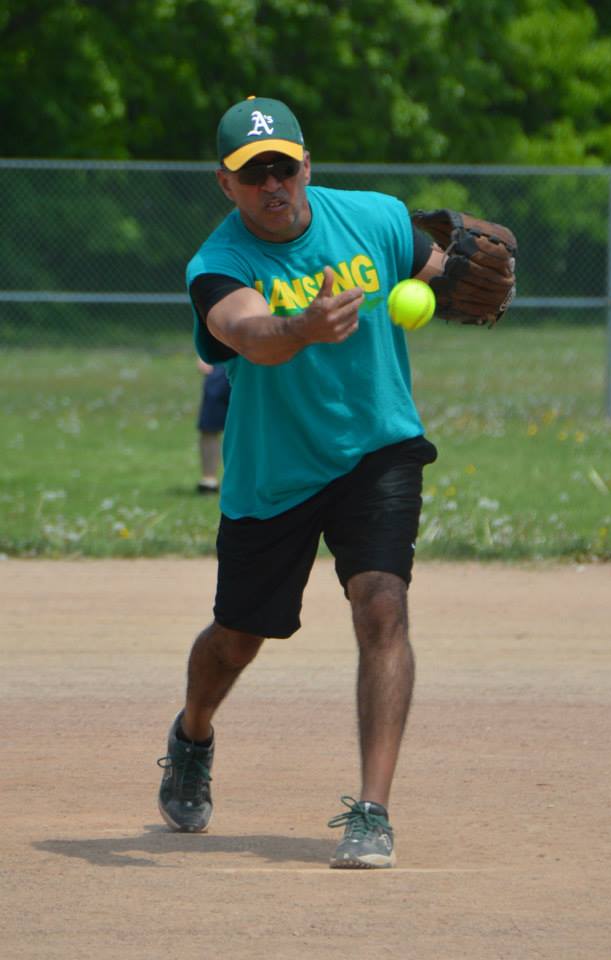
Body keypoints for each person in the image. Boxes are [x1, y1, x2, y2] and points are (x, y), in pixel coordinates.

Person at [157, 95, 450, 870]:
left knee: (381, 603)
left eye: (284, 167)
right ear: (226, 184)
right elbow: (249, 333)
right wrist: (300, 329)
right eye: (254, 175)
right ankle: (192, 736)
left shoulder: (376, 218)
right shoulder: (218, 263)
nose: (273, 185)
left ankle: (373, 812)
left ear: (307, 165)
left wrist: (472, 269)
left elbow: (439, 263)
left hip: (377, 449)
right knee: (237, 638)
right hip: (274, 473)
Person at [195, 358, 230, 494]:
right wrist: (203, 354)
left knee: (253, 427)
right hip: (221, 360)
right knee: (209, 425)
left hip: (255, 358)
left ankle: (251, 478)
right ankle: (209, 479)